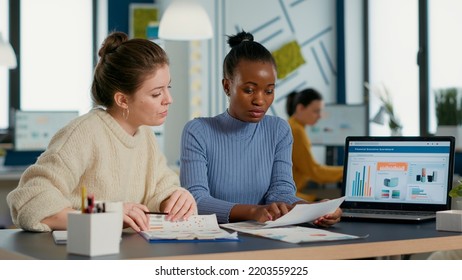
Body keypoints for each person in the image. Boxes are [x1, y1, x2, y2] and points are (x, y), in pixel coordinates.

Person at [7, 32, 196, 233]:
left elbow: (161, 186)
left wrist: (175, 198)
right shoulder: (84, 133)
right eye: (157, 93)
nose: (169, 99)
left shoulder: (144, 135)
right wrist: (104, 215)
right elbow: (29, 200)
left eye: (169, 87)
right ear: (122, 100)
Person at [180, 30, 342, 226]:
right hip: (215, 240)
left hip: (266, 236)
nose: (260, 100)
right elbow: (196, 200)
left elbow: (281, 193)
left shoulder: (279, 130)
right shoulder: (198, 131)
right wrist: (254, 211)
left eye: (269, 91)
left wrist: (314, 209)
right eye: (249, 90)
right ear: (226, 86)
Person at [286, 89, 343, 201]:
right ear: (300, 108)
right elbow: (314, 171)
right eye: (316, 111)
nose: (319, 116)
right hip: (287, 196)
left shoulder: (292, 125)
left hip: (292, 192)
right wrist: (345, 171)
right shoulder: (296, 131)